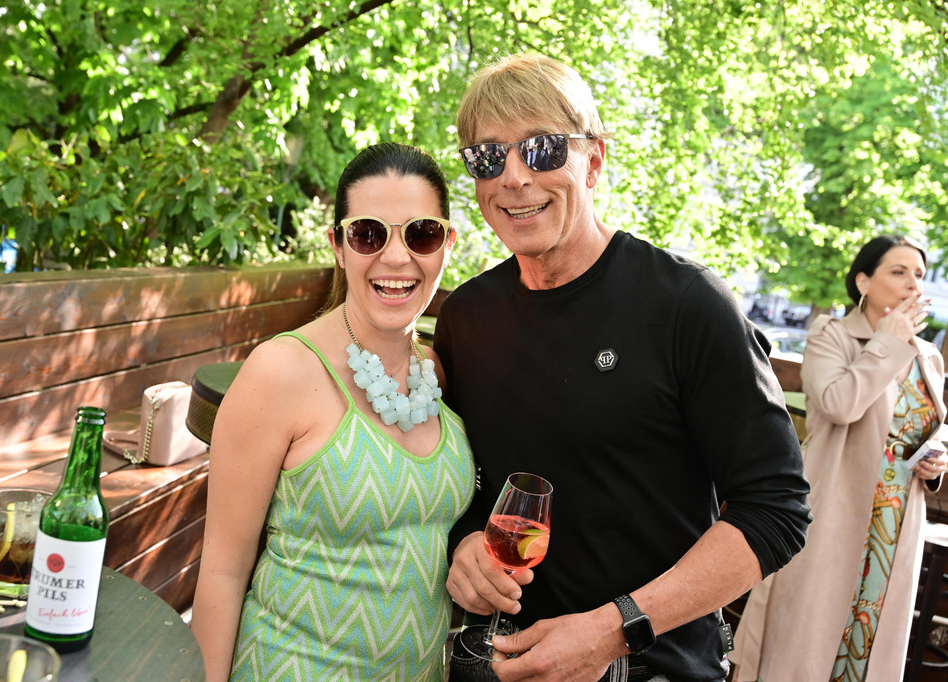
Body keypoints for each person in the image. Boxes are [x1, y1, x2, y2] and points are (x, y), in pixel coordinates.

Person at [434, 53, 812, 682]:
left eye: (543, 149)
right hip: (502, 661)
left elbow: (776, 509)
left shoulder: (687, 304)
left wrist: (614, 628)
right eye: (487, 157)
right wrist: (466, 542)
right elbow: (463, 479)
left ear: (594, 161)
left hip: (654, 665)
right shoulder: (467, 317)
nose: (514, 177)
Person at [190, 142, 476, 681]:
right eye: (369, 234)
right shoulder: (281, 371)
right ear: (339, 247)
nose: (396, 257)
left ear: (447, 245)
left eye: (421, 234)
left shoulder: (433, 373)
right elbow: (223, 572)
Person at [732, 235, 947, 680]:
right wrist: (886, 343)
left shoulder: (928, 356)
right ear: (863, 281)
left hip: (895, 523)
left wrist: (934, 467)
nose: (913, 284)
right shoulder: (831, 335)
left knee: (870, 639)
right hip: (834, 507)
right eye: (898, 272)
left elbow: (925, 432)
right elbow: (837, 405)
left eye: (919, 275)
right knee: (806, 637)